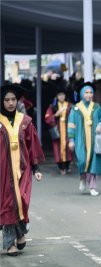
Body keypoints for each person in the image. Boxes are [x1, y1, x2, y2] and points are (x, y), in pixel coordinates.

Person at [1, 84, 45, 256]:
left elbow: (31, 146)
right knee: (6, 205)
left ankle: (20, 233)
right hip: (3, 172)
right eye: (6, 100)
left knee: (21, 203)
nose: (11, 103)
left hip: (22, 170)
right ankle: (9, 243)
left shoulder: (25, 122)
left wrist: (36, 168)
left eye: (13, 99)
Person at [67, 82, 101, 196]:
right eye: (86, 92)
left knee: (93, 163)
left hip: (94, 140)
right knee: (82, 161)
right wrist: (71, 140)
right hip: (80, 140)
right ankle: (82, 177)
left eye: (91, 92)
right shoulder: (75, 109)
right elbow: (71, 125)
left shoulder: (97, 107)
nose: (89, 95)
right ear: (81, 94)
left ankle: (92, 187)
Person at [44, 87, 73, 174]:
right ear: (57, 96)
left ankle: (67, 166)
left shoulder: (70, 106)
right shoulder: (53, 107)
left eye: (63, 95)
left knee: (69, 149)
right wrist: (55, 115)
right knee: (58, 149)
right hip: (58, 131)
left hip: (68, 131)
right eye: (59, 95)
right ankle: (61, 167)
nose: (61, 97)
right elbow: (47, 118)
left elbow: (75, 118)